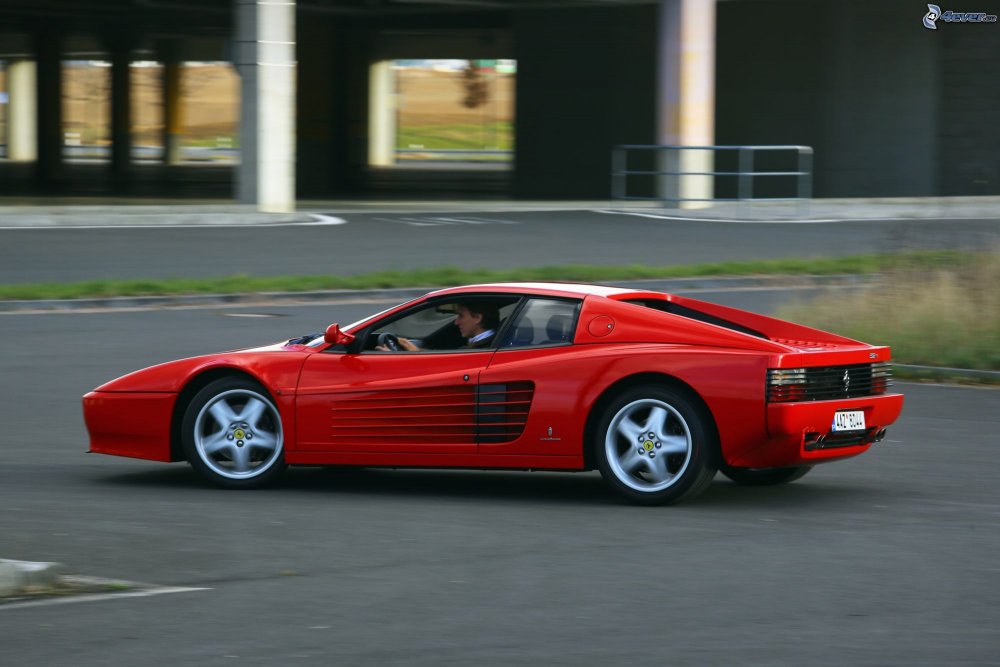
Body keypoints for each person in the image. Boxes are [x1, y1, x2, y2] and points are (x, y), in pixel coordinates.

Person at [376, 300, 499, 351]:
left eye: (461, 316)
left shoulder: (483, 348)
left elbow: (449, 365)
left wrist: (400, 358)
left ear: (477, 318)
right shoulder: (490, 343)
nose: (456, 322)